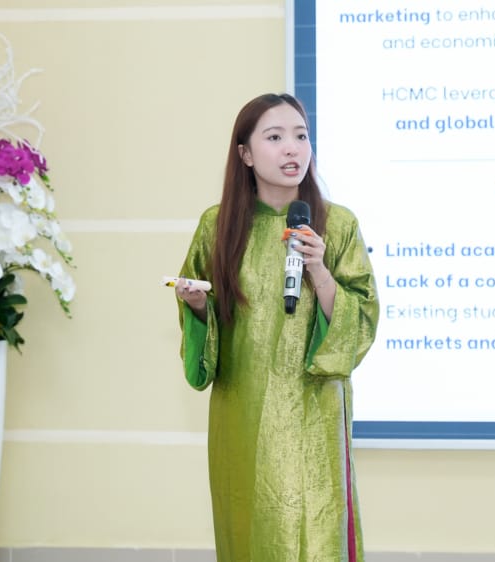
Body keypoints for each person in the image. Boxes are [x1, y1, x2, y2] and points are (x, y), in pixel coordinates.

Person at [174, 93, 379, 561]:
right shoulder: (217, 226)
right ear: (245, 154)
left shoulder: (337, 225)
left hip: (314, 416)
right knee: (250, 535)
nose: (292, 148)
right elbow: (204, 339)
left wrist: (319, 270)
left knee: (313, 536)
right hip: (241, 413)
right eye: (275, 137)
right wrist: (198, 307)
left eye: (301, 136)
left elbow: (361, 320)